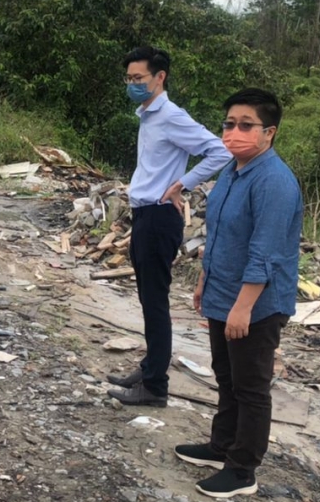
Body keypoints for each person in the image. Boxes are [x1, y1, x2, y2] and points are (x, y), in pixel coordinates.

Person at [174, 88, 302, 499]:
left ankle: (243, 468)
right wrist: (203, 281)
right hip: (221, 291)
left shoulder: (275, 182)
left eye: (246, 125)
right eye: (229, 124)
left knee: (250, 386)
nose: (234, 132)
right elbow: (220, 235)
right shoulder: (231, 170)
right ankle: (221, 446)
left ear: (270, 133)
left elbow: (265, 253)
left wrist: (243, 307)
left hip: (255, 305)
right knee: (226, 376)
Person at [108, 47, 232, 407]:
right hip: (145, 214)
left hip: (160, 215)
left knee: (156, 302)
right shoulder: (147, 115)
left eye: (139, 79)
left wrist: (183, 183)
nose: (132, 85)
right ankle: (149, 368)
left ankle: (155, 386)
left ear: (160, 77)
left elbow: (219, 151)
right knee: (148, 299)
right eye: (129, 79)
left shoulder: (172, 116)